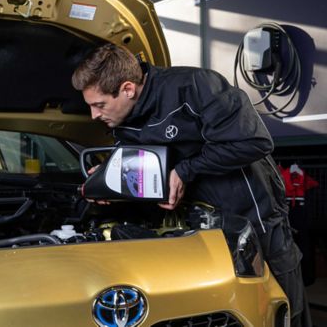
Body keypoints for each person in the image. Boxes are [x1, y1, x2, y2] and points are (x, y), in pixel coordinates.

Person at [72, 43, 311, 327]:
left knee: (280, 310)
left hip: (252, 223)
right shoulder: (122, 120)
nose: (94, 115)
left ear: (127, 89)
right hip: (193, 237)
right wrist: (113, 179)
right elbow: (150, 170)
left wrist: (186, 171)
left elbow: (255, 142)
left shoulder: (194, 86)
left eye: (99, 105)